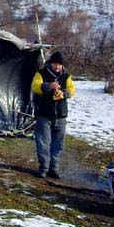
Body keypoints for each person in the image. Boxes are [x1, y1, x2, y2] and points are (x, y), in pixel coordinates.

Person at [31, 51, 75, 179]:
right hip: (44, 115)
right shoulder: (41, 73)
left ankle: (53, 169)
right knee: (43, 144)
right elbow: (35, 87)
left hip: (61, 116)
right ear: (51, 63)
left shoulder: (66, 76)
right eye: (56, 64)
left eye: (60, 65)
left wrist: (65, 92)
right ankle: (44, 168)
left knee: (57, 145)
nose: (58, 67)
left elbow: (72, 90)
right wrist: (49, 86)